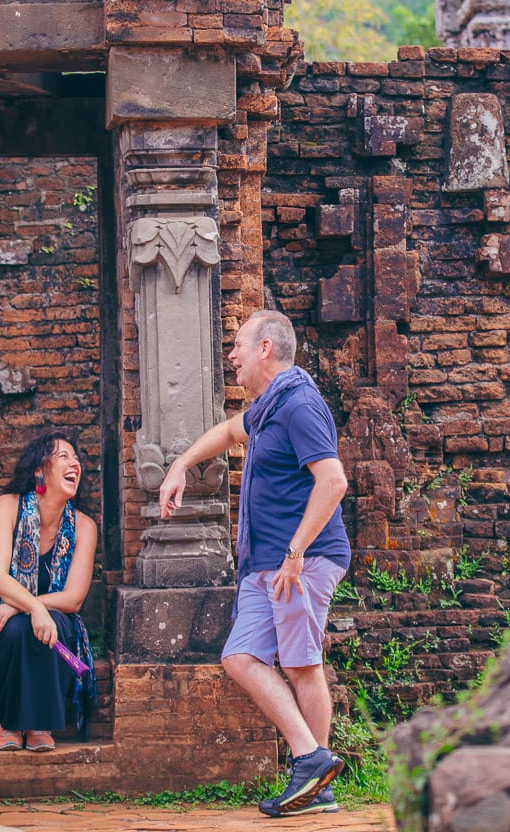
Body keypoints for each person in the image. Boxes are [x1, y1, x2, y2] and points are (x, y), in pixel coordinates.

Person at [158, 309, 350, 818]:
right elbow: (226, 433)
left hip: (299, 561)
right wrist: (179, 465)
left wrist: (295, 554)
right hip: (264, 564)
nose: (232, 356)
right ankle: (314, 764)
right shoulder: (269, 408)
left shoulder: (300, 404)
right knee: (241, 657)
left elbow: (333, 482)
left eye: (239, 345)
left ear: (265, 348)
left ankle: (313, 775)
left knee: (302, 664)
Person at [0, 432, 99, 752]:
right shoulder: (7, 506)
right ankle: (11, 722)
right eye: (63, 456)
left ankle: (38, 725)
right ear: (40, 470)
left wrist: (25, 607)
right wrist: (31, 610)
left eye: (76, 458)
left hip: (53, 616)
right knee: (15, 630)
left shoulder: (84, 526)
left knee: (36, 625)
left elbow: (74, 598)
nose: (74, 463)